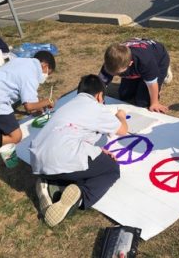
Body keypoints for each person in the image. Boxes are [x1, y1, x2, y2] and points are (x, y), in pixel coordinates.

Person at [30, 74, 129, 227]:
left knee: (80, 164)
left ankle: (49, 183)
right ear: (99, 95)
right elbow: (122, 130)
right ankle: (79, 197)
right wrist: (120, 116)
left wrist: (97, 151)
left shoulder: (67, 105)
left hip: (38, 162)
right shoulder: (96, 108)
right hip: (62, 159)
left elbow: (72, 133)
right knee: (111, 169)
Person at [98, 38, 172, 113]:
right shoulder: (111, 61)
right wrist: (98, 95)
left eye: (118, 73)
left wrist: (154, 103)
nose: (115, 75)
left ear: (130, 63)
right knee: (124, 95)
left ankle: (164, 74)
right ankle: (141, 77)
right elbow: (101, 82)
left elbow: (152, 84)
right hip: (138, 64)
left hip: (158, 60)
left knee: (143, 102)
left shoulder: (145, 61)